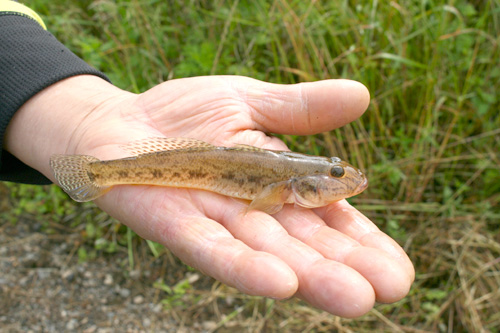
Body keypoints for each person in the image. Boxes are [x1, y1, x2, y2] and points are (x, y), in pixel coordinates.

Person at [0, 1, 414, 318]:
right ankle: (97, 173)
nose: (342, 179)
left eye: (336, 170)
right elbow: (263, 203)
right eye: (336, 173)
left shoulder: (295, 180)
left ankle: (99, 172)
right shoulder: (289, 184)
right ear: (308, 183)